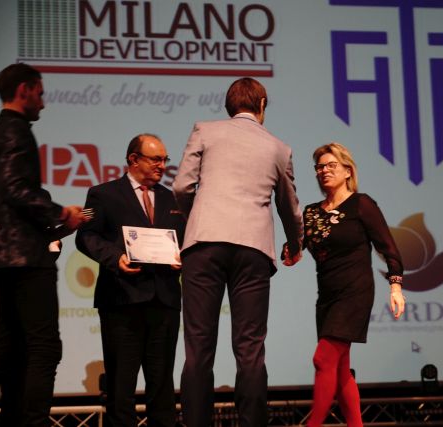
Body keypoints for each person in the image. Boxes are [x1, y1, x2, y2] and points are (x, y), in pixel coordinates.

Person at [173, 77, 304, 427]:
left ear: (229, 106)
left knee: (198, 347)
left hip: (204, 245)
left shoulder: (205, 131)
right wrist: (295, 244)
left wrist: (196, 221)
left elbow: (181, 186)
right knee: (250, 348)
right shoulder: (278, 147)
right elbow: (290, 207)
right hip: (253, 249)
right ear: (261, 105)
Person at [0, 62, 88, 427]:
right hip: (25, 259)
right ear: (24, 90)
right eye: (40, 93)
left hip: (0, 258)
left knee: (5, 347)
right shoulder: (16, 131)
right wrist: (62, 212)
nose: (43, 103)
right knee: (45, 347)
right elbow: (16, 190)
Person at [287, 142, 405, 427]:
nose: (324, 171)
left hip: (355, 293)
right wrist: (290, 252)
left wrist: (396, 286)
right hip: (327, 297)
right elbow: (297, 246)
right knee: (340, 372)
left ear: (348, 171)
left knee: (323, 359)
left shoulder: (361, 204)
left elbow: (388, 248)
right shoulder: (311, 212)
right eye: (319, 167)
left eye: (331, 165)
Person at [76, 134, 185, 427]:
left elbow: (185, 240)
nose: (162, 165)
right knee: (120, 386)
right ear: (133, 159)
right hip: (121, 300)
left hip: (164, 300)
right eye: (155, 159)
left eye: (165, 159)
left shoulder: (173, 198)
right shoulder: (102, 194)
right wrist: (116, 258)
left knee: (162, 386)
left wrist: (183, 256)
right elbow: (85, 236)